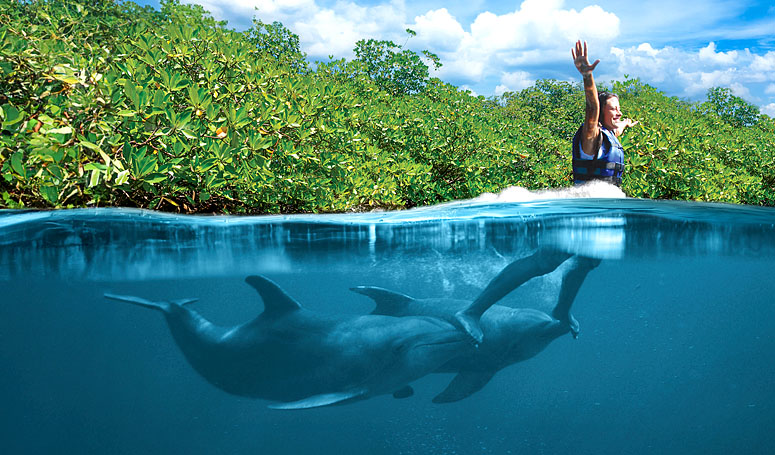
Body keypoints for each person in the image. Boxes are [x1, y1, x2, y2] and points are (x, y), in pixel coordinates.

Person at [571, 40, 637, 186]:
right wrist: (587, 76)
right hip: (590, 204)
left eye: (619, 109)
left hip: (609, 203)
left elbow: (618, 129)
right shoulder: (591, 136)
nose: (618, 113)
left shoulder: (609, 134)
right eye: (613, 109)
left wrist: (626, 123)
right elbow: (592, 107)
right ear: (602, 111)